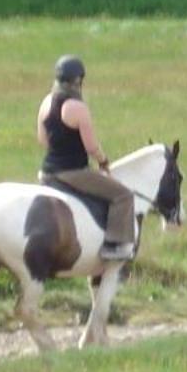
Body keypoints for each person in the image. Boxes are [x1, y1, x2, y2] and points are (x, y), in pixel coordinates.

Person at [36, 55, 137, 262]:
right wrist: (103, 161)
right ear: (79, 81)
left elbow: (43, 140)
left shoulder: (46, 102)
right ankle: (115, 246)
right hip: (72, 172)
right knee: (123, 196)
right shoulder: (78, 108)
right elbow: (91, 146)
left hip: (46, 172)